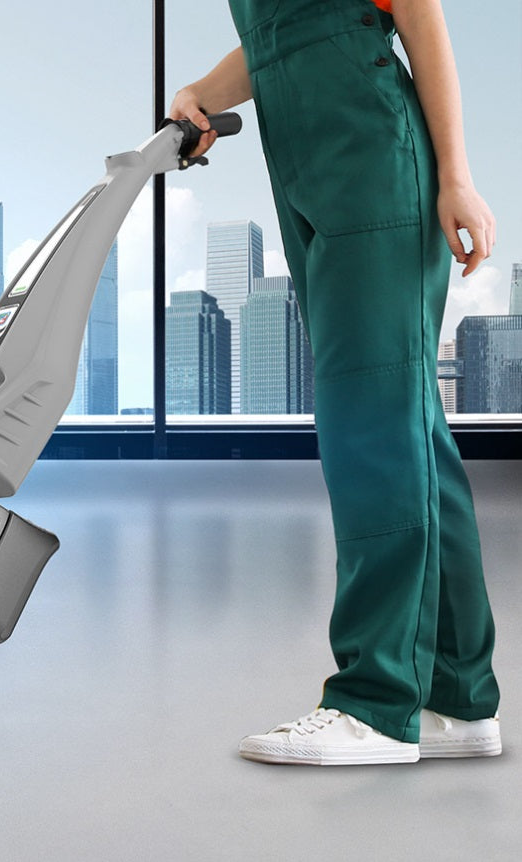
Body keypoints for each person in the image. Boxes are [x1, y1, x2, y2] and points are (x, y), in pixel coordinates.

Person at [169, 0, 501, 765]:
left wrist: (456, 176)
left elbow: (416, 12)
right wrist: (201, 93)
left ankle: (376, 702)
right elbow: (284, 37)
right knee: (408, 428)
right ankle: (456, 696)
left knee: (370, 429)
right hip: (306, 171)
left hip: (373, 156)